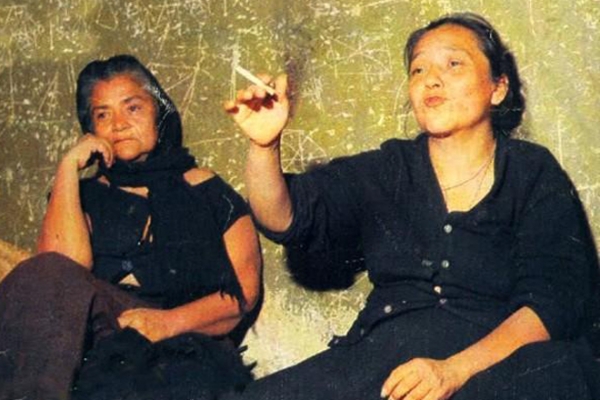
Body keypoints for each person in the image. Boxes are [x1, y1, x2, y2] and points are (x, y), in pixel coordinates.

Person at [224, 12, 600, 400]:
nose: (431, 79)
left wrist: (454, 371)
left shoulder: (531, 171)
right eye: (419, 69)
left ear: (498, 88)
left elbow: (553, 304)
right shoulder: (388, 169)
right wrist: (264, 146)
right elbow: (285, 217)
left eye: (453, 64)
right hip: (385, 359)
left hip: (495, 366)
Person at [0, 55, 262, 400]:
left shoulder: (208, 190)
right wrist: (67, 168)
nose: (119, 124)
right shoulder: (83, 195)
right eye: (102, 115)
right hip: (101, 337)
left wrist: (166, 323)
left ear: (159, 113)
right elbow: (56, 274)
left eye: (133, 108)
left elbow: (243, 295)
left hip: (185, 344)